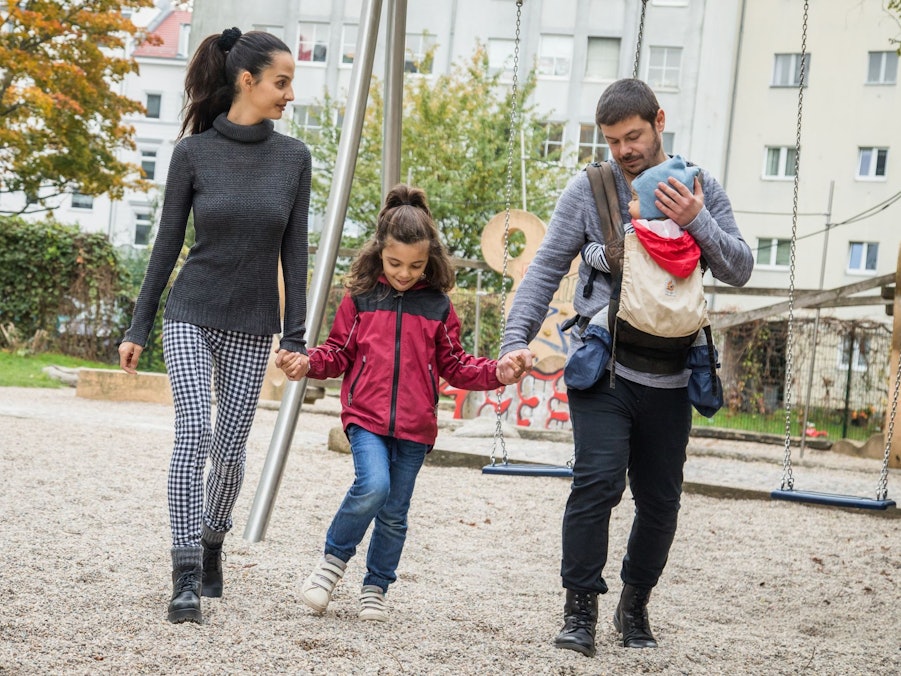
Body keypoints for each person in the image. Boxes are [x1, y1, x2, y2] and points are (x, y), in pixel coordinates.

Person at [496, 78, 753, 656]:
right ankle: (579, 610)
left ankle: (634, 604)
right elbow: (545, 268)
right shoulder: (589, 189)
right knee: (597, 483)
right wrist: (514, 340)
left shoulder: (699, 186)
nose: (623, 151)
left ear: (659, 121)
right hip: (603, 365)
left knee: (660, 501)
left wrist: (696, 220)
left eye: (632, 136)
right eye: (612, 141)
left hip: (673, 373)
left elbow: (739, 268)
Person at [117, 28, 311, 625]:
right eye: (282, 82)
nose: (290, 95)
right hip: (191, 313)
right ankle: (184, 575)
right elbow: (166, 245)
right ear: (247, 81)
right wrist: (138, 326)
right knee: (194, 431)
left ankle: (211, 540)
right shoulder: (192, 154)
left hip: (253, 323)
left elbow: (295, 253)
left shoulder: (294, 159)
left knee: (228, 453)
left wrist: (295, 336)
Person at [277, 184, 522, 622]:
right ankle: (330, 567)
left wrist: (497, 373)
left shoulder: (438, 307)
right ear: (379, 253)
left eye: (416, 265)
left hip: (415, 427)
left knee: (394, 513)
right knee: (373, 486)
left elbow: (456, 365)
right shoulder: (360, 299)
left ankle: (375, 587)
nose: (405, 273)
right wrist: (307, 363)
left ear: (430, 260)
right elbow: (337, 353)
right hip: (365, 419)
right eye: (394, 263)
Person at [580, 154, 703, 332]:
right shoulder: (687, 236)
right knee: (698, 330)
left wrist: (587, 249)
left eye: (635, 199)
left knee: (597, 325)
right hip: (677, 311)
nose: (629, 204)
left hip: (640, 309)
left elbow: (609, 260)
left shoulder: (635, 232)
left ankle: (590, 350)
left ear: (654, 206)